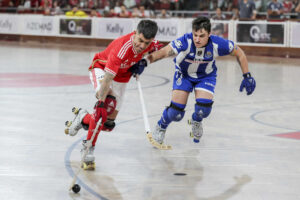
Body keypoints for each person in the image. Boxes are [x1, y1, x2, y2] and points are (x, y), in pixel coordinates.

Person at [132, 16, 256, 147]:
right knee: (176, 113)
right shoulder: (185, 41)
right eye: (195, 35)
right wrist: (145, 62)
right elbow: (164, 52)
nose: (197, 39)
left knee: (204, 110)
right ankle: (161, 126)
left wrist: (247, 75)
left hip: (206, 76)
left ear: (209, 34)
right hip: (184, 74)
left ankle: (196, 121)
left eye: (201, 36)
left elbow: (240, 53)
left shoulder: (218, 44)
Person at [65, 20, 160, 169]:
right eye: (140, 40)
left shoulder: (151, 44)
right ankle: (88, 149)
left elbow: (161, 52)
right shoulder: (121, 48)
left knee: (108, 124)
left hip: (122, 78)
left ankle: (83, 117)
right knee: (106, 106)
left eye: (146, 43)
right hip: (102, 69)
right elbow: (108, 79)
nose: (142, 46)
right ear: (135, 33)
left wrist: (144, 61)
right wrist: (101, 103)